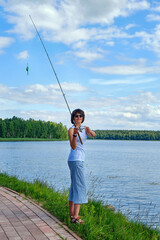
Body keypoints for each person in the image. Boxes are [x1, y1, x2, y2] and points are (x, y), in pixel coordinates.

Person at [68, 109, 96, 224]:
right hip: (75, 160)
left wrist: (90, 131)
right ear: (73, 118)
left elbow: (93, 135)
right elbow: (73, 146)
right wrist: (75, 133)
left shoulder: (84, 129)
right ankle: (76, 217)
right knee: (80, 187)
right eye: (76, 116)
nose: (78, 118)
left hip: (78, 160)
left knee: (74, 187)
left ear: (83, 118)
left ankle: (71, 215)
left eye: (80, 116)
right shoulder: (71, 129)